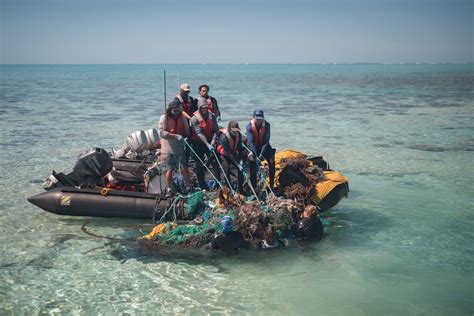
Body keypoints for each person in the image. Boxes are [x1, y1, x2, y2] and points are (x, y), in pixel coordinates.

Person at [158, 99, 192, 197]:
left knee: (184, 167)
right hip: (168, 149)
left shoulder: (182, 117)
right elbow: (161, 133)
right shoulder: (164, 118)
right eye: (174, 110)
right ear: (170, 109)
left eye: (178, 110)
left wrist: (185, 137)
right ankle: (169, 189)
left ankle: (188, 188)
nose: (176, 112)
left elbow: (187, 131)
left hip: (180, 147)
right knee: (170, 169)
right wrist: (175, 136)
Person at [190, 98, 220, 190]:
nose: (204, 110)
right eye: (202, 108)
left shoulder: (212, 116)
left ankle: (217, 182)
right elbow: (199, 133)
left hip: (210, 141)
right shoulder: (194, 118)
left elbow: (216, 130)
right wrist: (207, 144)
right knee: (199, 163)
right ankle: (203, 185)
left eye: (206, 108)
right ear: (199, 108)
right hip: (198, 142)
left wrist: (213, 141)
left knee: (215, 161)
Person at [246, 109, 276, 190]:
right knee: (252, 162)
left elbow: (266, 142)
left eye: (260, 119)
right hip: (253, 147)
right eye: (257, 119)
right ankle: (254, 186)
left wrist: (261, 155)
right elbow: (251, 142)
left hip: (264, 146)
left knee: (272, 161)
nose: (259, 121)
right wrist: (256, 156)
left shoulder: (267, 125)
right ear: (253, 117)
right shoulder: (249, 126)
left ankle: (271, 184)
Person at [216, 120, 245, 193]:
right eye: (234, 131)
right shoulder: (223, 136)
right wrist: (237, 164)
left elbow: (240, 149)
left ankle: (240, 189)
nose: (235, 132)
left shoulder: (238, 135)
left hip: (233, 153)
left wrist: (241, 161)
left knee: (241, 170)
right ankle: (229, 188)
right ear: (229, 129)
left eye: (236, 130)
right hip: (224, 154)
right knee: (227, 169)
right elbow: (228, 152)